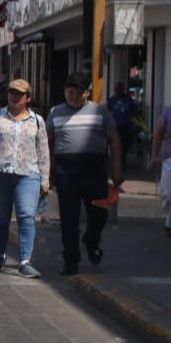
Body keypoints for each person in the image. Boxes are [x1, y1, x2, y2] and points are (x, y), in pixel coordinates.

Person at [47, 71, 124, 276]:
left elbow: (114, 139)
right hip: (65, 172)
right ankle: (71, 260)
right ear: (65, 91)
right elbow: (47, 143)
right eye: (70, 92)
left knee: (99, 215)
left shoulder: (100, 112)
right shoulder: (55, 112)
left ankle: (91, 240)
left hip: (94, 171)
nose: (73, 96)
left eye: (78, 93)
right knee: (69, 219)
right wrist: (47, 171)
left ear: (87, 93)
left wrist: (117, 169)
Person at [0, 79, 49, 279]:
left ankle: (24, 261)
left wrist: (45, 180)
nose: (14, 97)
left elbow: (43, 151)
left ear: (27, 98)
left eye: (19, 94)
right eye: (11, 93)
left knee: (26, 215)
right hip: (0, 174)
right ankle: (0, 254)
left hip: (28, 175)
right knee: (2, 218)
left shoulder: (37, 121)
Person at [151, 100, 171, 236]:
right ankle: (170, 219)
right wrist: (154, 156)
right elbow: (159, 134)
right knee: (169, 194)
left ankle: (170, 223)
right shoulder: (168, 112)